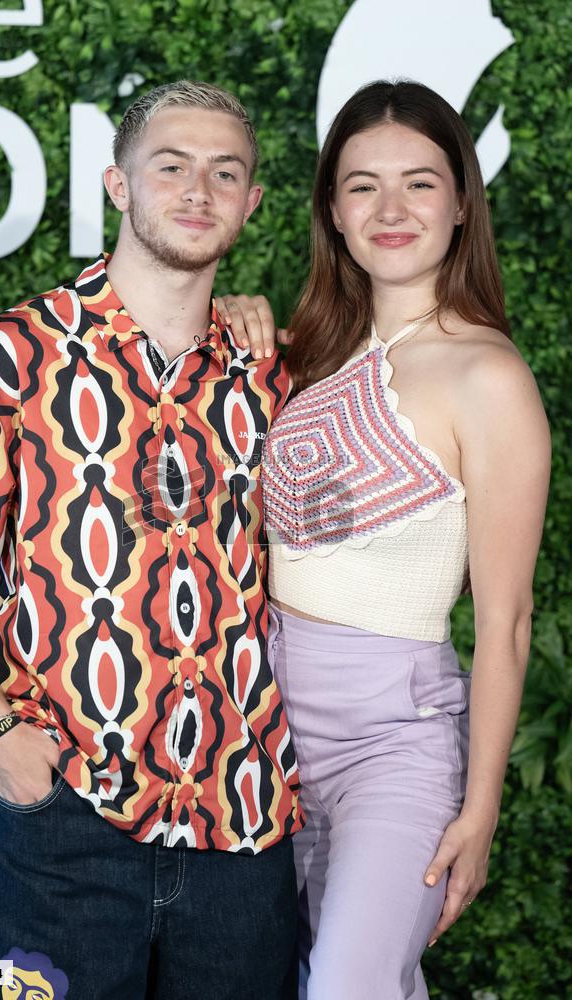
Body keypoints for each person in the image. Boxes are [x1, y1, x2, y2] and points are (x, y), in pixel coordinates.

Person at [0, 80, 303, 1000]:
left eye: (224, 171)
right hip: (60, 827)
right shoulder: (6, 357)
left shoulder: (271, 376)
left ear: (250, 204)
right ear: (119, 185)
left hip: (241, 827)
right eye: (171, 166)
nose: (197, 189)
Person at [216, 80, 550, 999]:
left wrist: (479, 810)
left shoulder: (489, 376)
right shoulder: (312, 350)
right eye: (363, 185)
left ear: (460, 204)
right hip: (255, 731)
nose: (391, 210)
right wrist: (244, 329)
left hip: (391, 743)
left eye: (420, 183)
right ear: (332, 207)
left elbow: (508, 619)